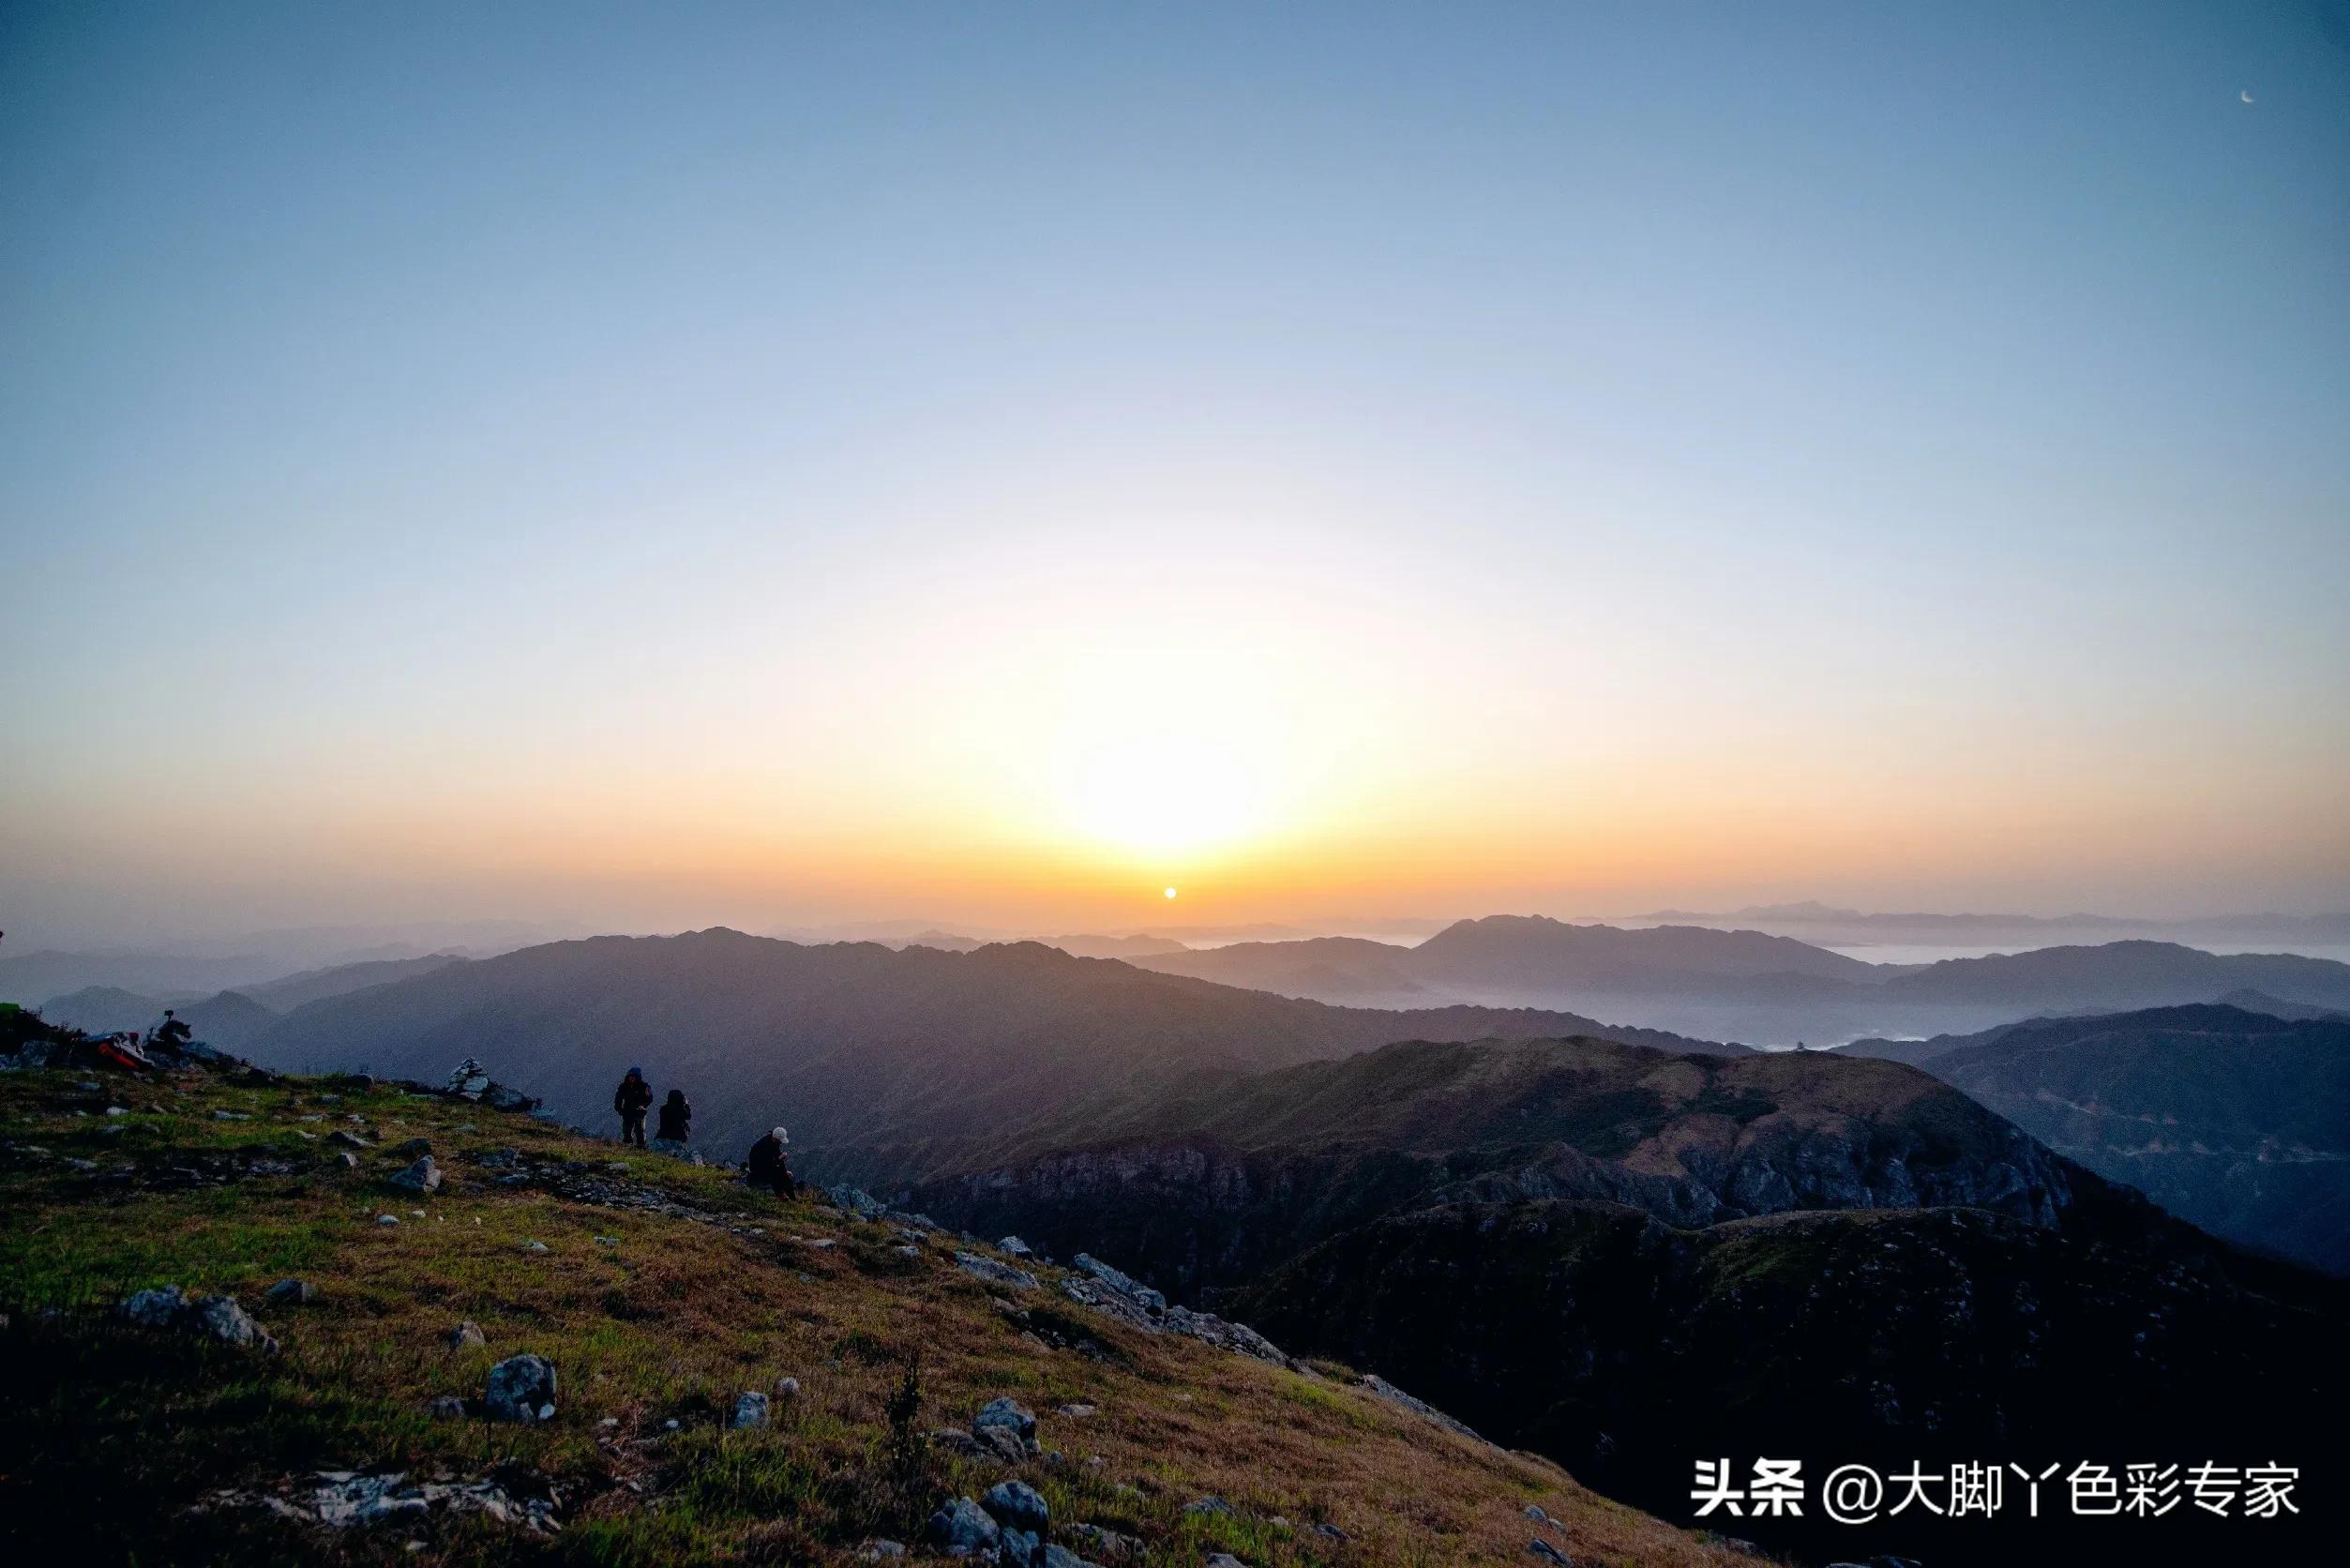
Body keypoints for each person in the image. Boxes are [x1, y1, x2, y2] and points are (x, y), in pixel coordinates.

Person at [746, 1125, 797, 1198]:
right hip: (758, 1169)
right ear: (774, 1138)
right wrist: (779, 1159)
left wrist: (784, 1169)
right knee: (777, 1174)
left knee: (785, 1174)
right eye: (780, 1141)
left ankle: (792, 1197)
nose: (780, 1143)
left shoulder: (773, 1143)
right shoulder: (762, 1146)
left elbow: (776, 1157)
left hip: (766, 1167)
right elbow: (766, 1164)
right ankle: (780, 1194)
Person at [613, 1066, 653, 1147]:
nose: (631, 1078)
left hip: (639, 1111)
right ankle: (627, 1145)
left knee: (639, 1131)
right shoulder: (624, 1086)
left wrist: (643, 1106)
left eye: (633, 1076)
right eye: (630, 1076)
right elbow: (618, 1098)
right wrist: (619, 1108)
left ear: (638, 1076)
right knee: (626, 1131)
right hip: (627, 1111)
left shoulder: (644, 1086)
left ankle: (641, 1147)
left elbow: (649, 1098)